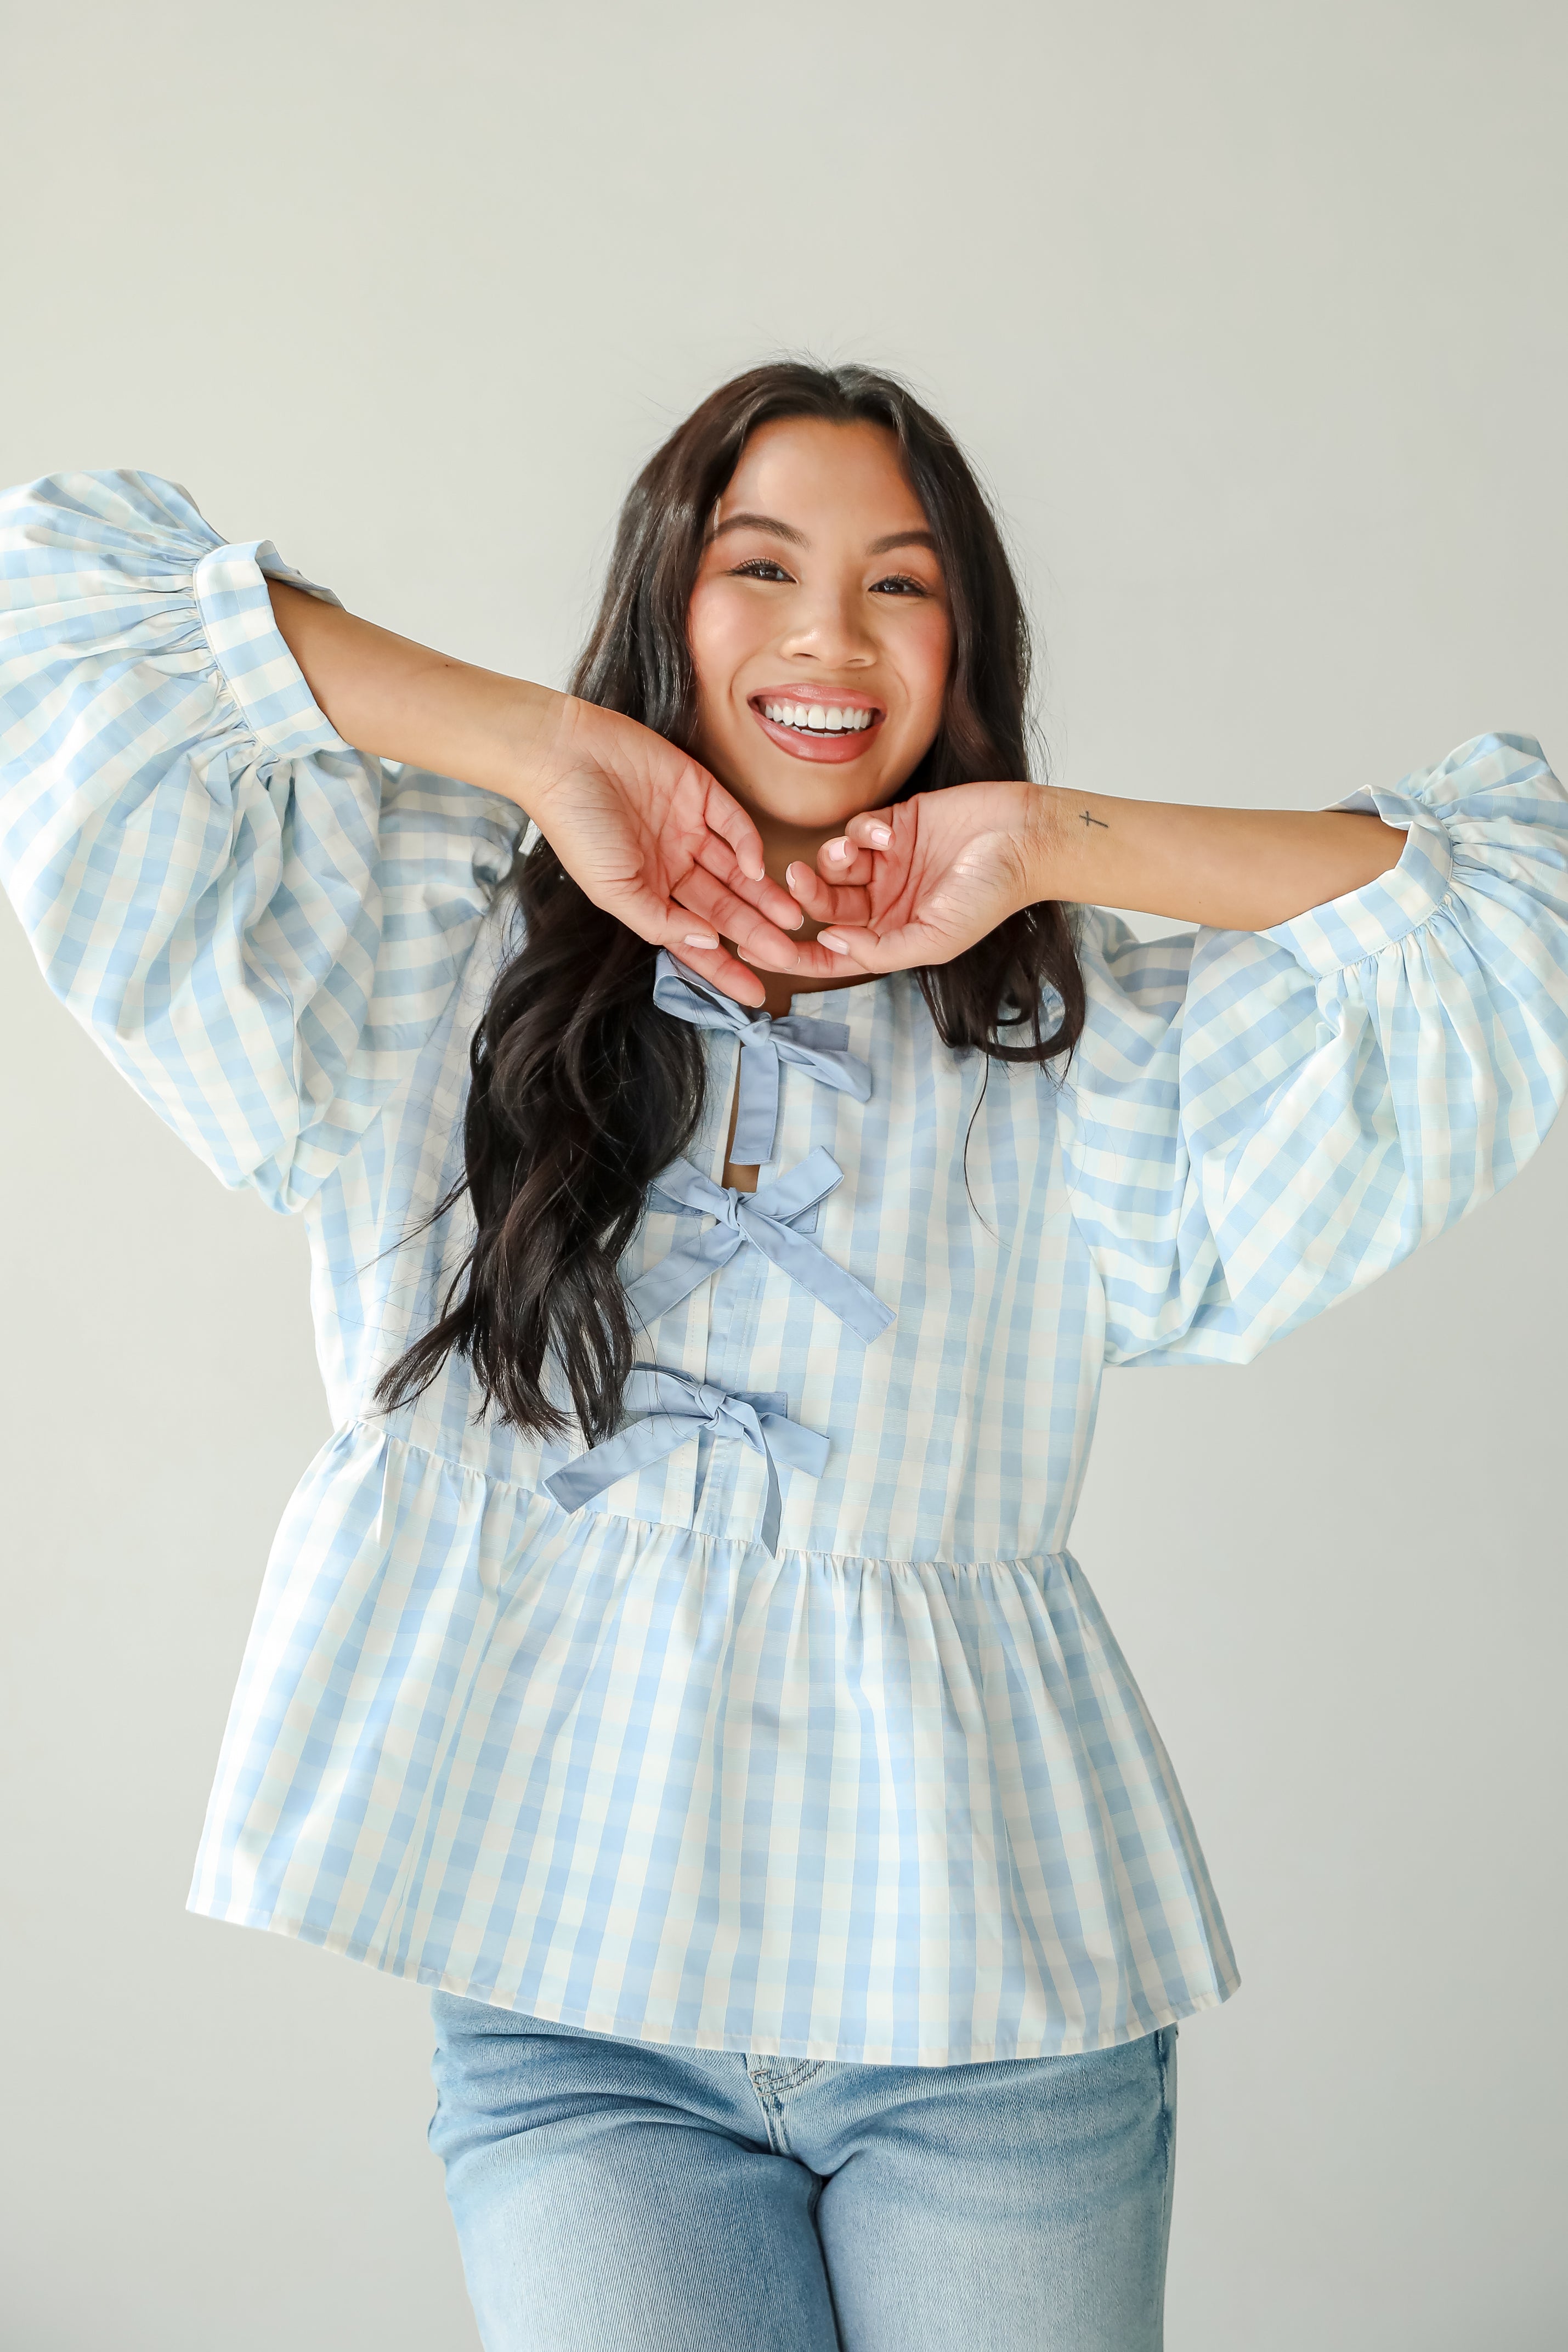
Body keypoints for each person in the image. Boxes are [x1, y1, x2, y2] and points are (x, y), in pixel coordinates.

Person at [2, 362, 1564, 2352]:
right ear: (670, 598)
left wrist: (1045, 846)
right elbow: (56, 613)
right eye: (760, 566)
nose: (830, 634)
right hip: (577, 2030)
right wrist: (556, 754)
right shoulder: (415, 937)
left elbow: (1508, 896)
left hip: (995, 2029)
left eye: (900, 587)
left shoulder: (1076, 1048)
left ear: (965, 646)